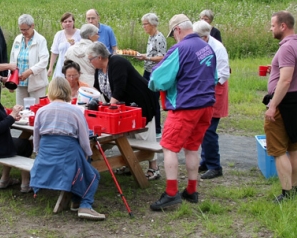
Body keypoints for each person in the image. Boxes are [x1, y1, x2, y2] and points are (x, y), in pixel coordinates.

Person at [148, 14, 217, 210]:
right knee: (192, 147)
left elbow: (158, 79)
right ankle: (191, 190)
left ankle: (171, 194)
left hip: (186, 106)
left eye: (173, 34)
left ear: (177, 30)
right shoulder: (207, 47)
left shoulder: (180, 49)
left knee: (169, 146)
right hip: (206, 105)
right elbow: (216, 75)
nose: (173, 38)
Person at [30, 77, 106, 220]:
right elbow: (84, 139)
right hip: (68, 152)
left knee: (82, 167)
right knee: (93, 174)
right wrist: (88, 154)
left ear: (50, 91)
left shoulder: (41, 111)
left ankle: (76, 200)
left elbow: (36, 137)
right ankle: (85, 205)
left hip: (46, 154)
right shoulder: (75, 111)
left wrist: (39, 154)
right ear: (67, 91)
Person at [87, 42, 159, 180]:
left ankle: (154, 167)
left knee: (144, 134)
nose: (90, 62)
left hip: (140, 101)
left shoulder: (117, 63)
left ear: (100, 57)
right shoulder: (99, 69)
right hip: (123, 106)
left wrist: (109, 107)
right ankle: (129, 163)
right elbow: (97, 88)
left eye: (91, 59)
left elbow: (119, 89)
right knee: (126, 135)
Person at [264, 11, 297, 203]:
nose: (271, 28)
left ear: (283, 26)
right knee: (294, 147)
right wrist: (275, 68)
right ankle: (294, 189)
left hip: (284, 104)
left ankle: (286, 193)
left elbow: (285, 80)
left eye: (273, 25)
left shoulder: (286, 48)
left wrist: (272, 105)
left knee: (277, 150)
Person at [193, 20, 230, 180]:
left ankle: (215, 166)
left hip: (216, 91)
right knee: (202, 127)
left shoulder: (218, 48)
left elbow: (224, 73)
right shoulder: (202, 45)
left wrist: (208, 83)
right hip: (205, 90)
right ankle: (206, 161)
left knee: (209, 130)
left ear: (205, 37)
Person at [135, 13, 167, 137]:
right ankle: (149, 123)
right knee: (145, 96)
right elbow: (151, 53)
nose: (144, 27)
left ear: (152, 24)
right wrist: (142, 55)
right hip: (147, 70)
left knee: (153, 99)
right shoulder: (151, 37)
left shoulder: (159, 37)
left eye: (145, 24)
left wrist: (146, 57)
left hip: (156, 72)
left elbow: (162, 57)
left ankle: (157, 129)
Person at [9, 14, 49, 106]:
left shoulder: (41, 40)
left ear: (32, 26)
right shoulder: (18, 39)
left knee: (35, 108)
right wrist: (10, 81)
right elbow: (12, 60)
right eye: (21, 29)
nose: (23, 32)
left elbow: (44, 61)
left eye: (25, 29)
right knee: (20, 109)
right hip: (19, 82)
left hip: (36, 83)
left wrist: (30, 71)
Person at [48, 12, 82, 78]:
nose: (67, 23)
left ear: (73, 22)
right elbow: (54, 52)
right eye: (65, 21)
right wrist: (50, 67)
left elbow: (83, 51)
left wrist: (74, 45)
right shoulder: (59, 34)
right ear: (62, 23)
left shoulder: (80, 34)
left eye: (70, 21)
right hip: (61, 65)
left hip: (75, 65)